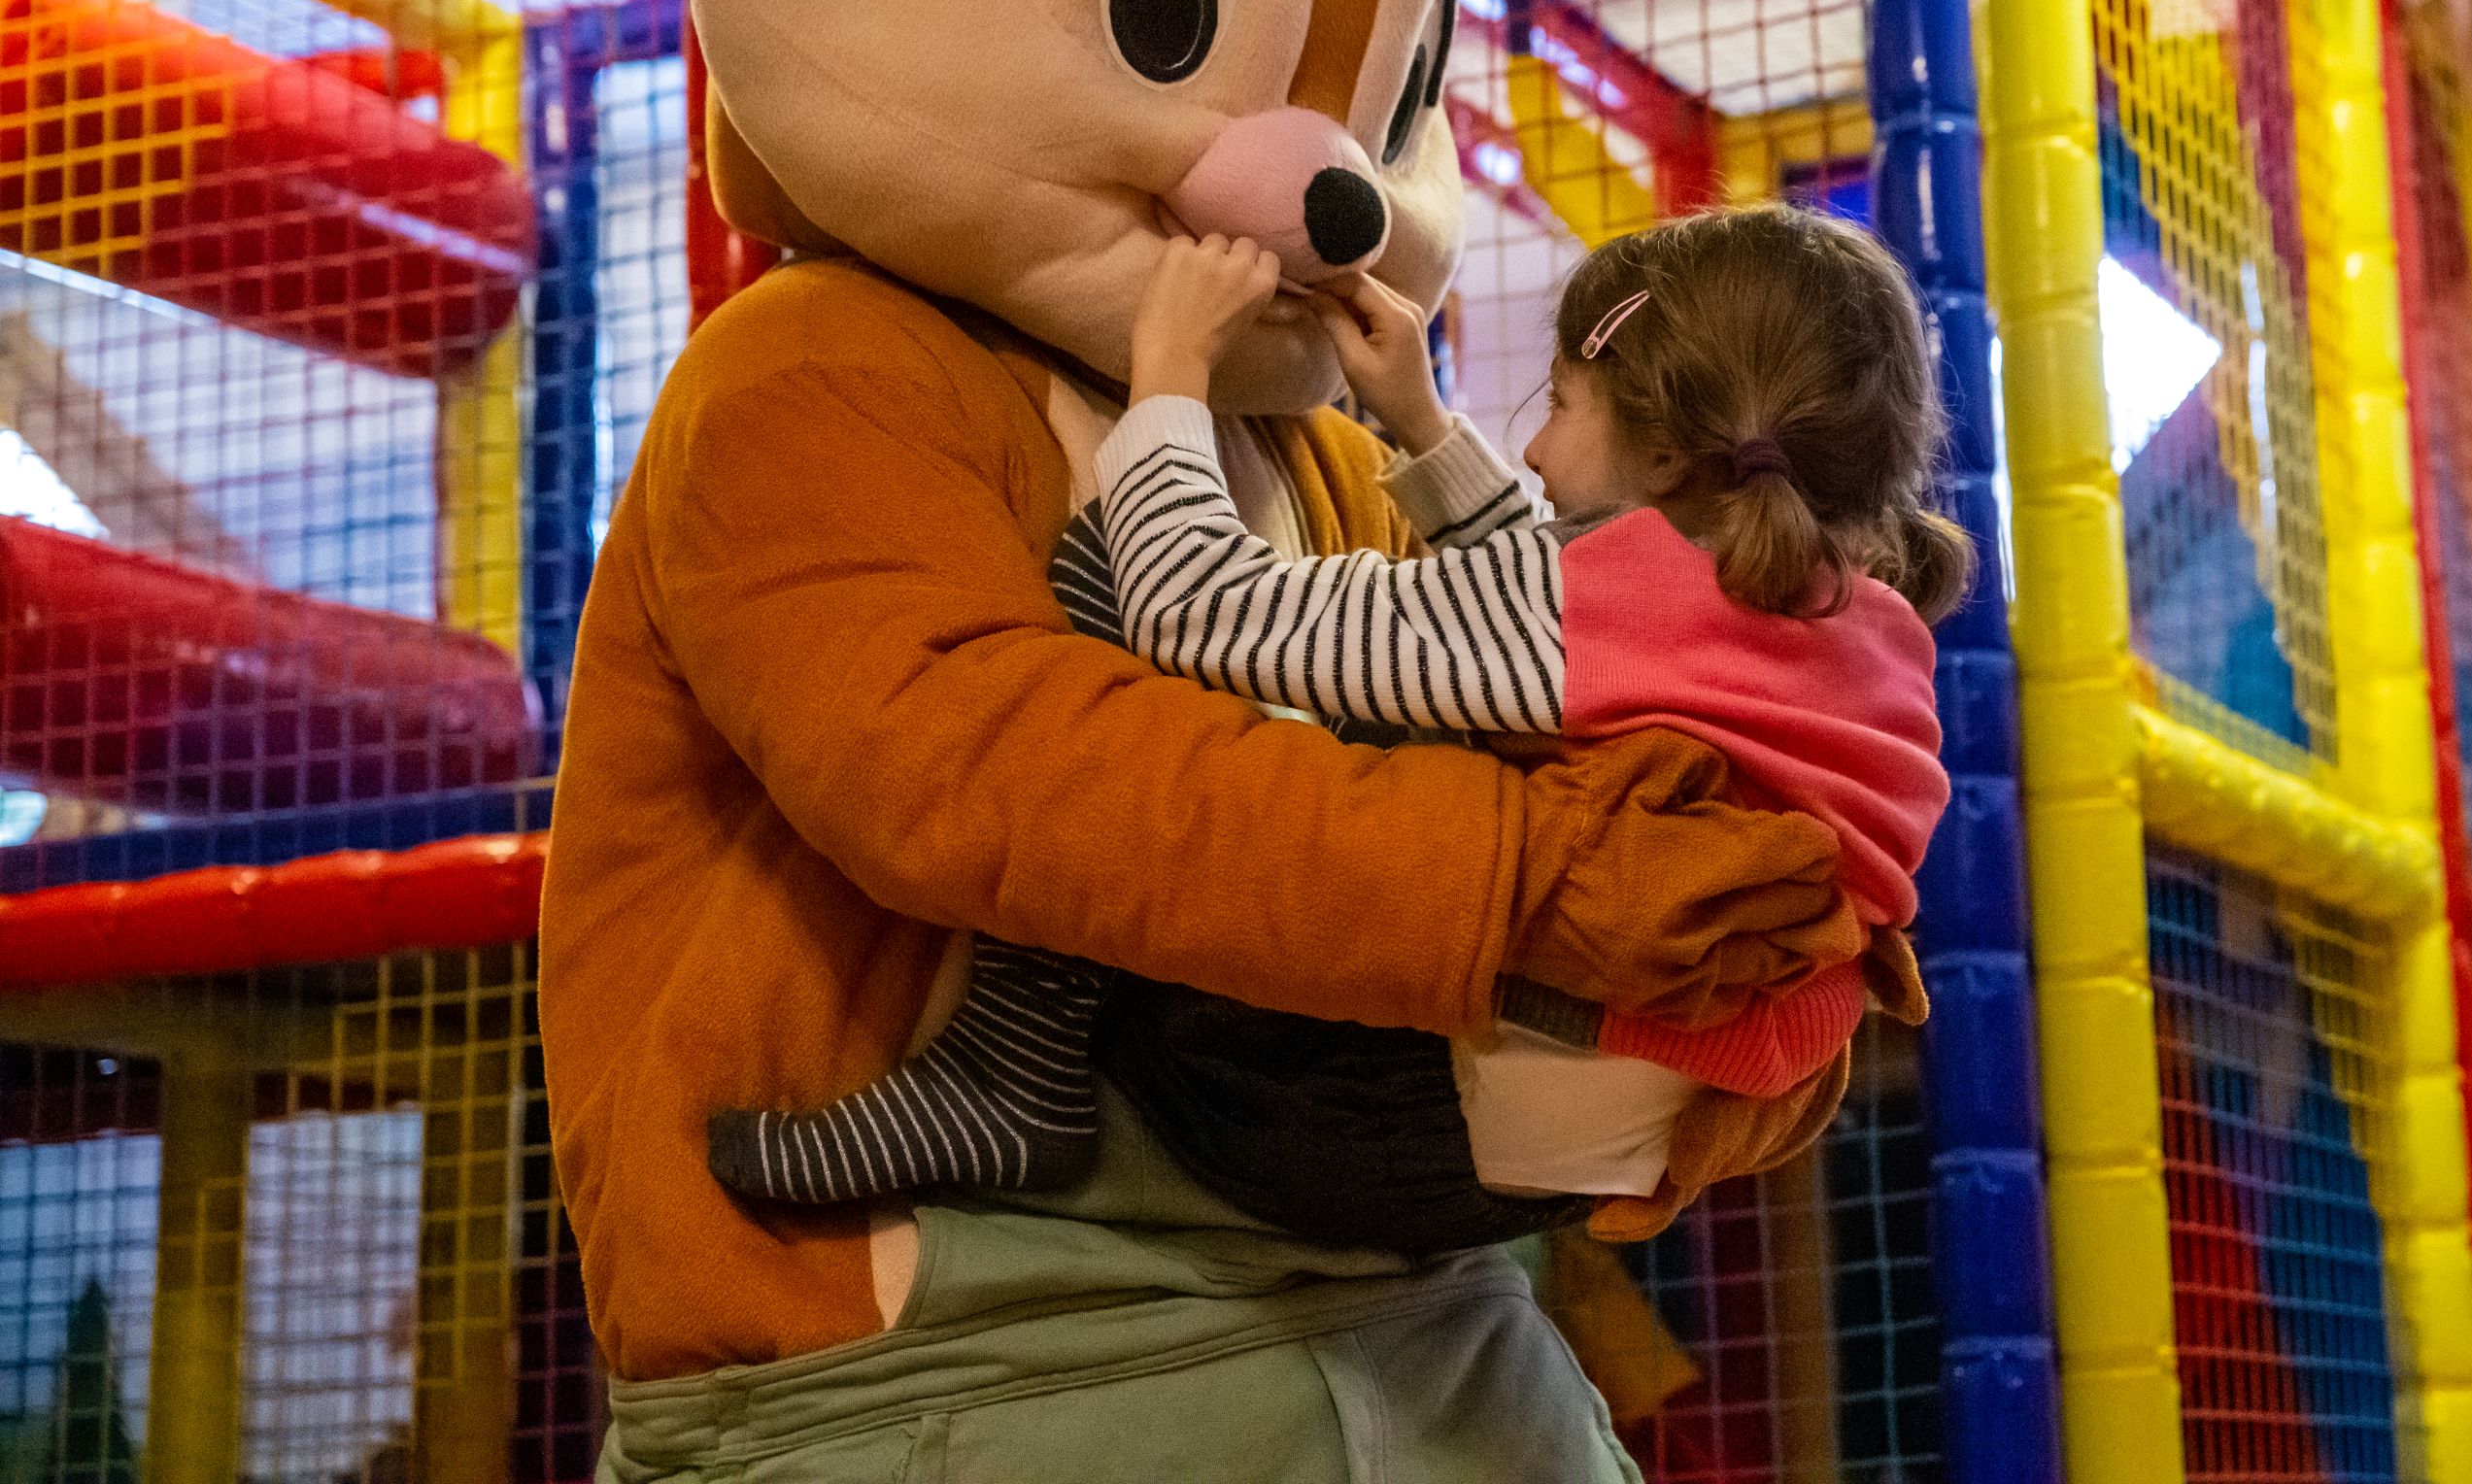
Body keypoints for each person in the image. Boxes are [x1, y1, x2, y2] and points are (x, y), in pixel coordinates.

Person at [709, 203, 1968, 1211]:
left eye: (1560, 405)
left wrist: (1168, 370)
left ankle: (1011, 1067)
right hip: (1659, 1106)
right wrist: (1417, 416)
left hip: (1423, 1112)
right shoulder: (1850, 616)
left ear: (1671, 457)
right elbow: (1569, 627)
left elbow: (1198, 606)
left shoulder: (1594, 612)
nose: (1533, 450)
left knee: (1122, 573)